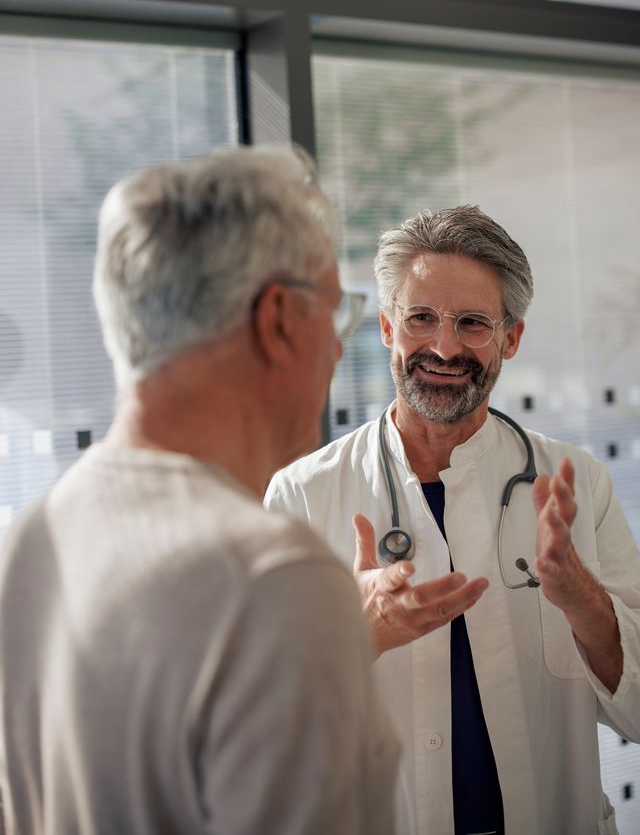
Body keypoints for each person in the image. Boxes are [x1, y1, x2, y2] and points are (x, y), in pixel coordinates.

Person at [0, 146, 400, 835]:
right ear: (278, 320)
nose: (339, 352)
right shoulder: (276, 579)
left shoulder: (29, 543)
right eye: (335, 314)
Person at [265, 204, 640, 835]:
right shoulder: (304, 497)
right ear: (387, 326)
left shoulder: (576, 484)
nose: (442, 347)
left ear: (511, 339)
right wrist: (359, 637)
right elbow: (262, 740)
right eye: (420, 318)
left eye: (472, 323)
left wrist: (582, 600)